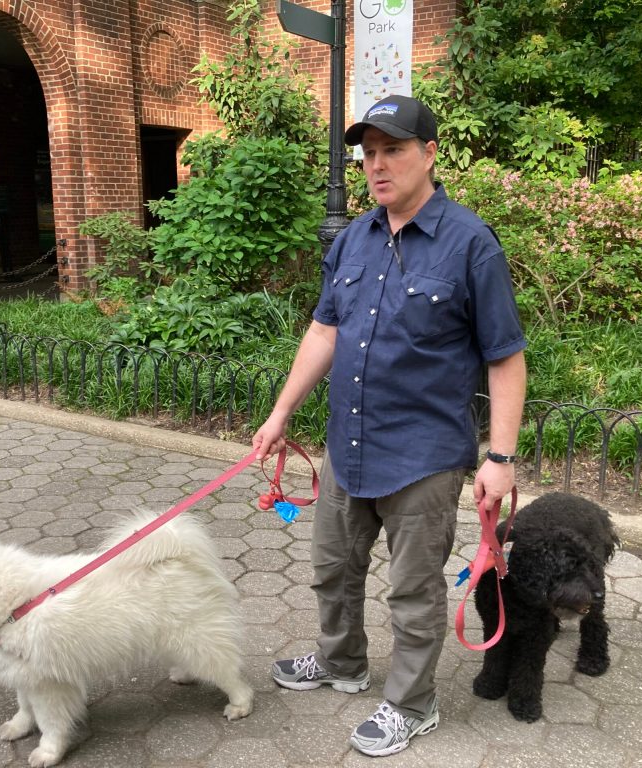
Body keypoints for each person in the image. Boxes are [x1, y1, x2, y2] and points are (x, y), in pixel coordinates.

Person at [252, 95, 527, 757]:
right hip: (349, 447)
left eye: (393, 150)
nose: (377, 165)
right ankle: (341, 663)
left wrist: (500, 457)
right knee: (332, 568)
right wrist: (281, 413)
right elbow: (325, 330)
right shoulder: (354, 238)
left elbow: (505, 357)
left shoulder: (470, 243)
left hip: (423, 457)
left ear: (429, 154)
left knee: (413, 592)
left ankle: (412, 703)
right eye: (368, 153)